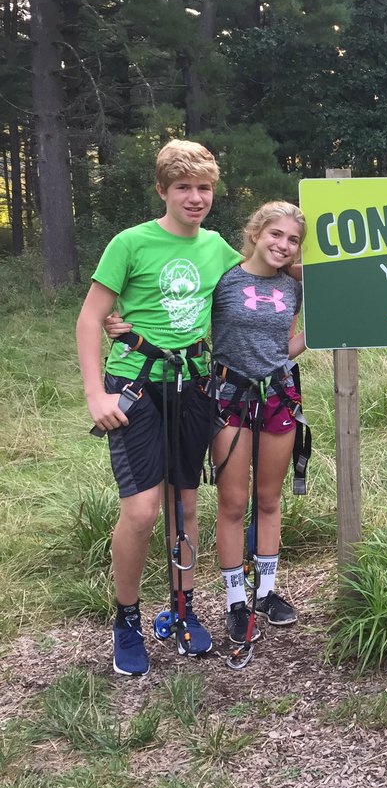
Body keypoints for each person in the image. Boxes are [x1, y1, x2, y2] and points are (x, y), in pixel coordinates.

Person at [76, 140, 241, 676]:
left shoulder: (217, 247)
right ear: (163, 190)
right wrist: (95, 395)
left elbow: (263, 277)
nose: (195, 198)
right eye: (183, 188)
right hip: (137, 387)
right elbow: (90, 318)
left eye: (204, 188)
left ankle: (182, 611)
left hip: (193, 386)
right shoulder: (131, 243)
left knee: (185, 508)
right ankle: (126, 619)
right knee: (143, 511)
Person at [209, 201, 307, 646]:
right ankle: (235, 601)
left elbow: (286, 345)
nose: (283, 246)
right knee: (233, 502)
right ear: (255, 232)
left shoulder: (295, 287)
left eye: (292, 240)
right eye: (276, 235)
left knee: (269, 499)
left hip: (278, 396)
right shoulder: (224, 278)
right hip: (229, 395)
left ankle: (266, 592)